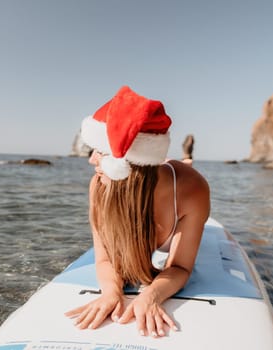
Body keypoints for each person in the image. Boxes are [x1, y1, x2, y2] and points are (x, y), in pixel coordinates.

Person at [65, 86, 210, 338]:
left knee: (184, 169)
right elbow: (104, 259)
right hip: (144, 185)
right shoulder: (99, 185)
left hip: (172, 184)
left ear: (123, 164)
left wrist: (151, 296)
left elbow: (180, 267)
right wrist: (111, 292)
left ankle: (186, 159)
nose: (91, 161)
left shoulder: (191, 189)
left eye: (100, 152)